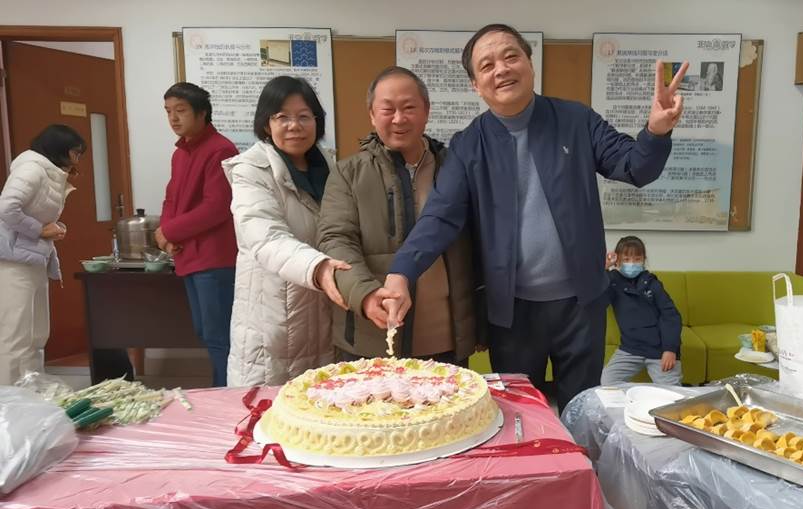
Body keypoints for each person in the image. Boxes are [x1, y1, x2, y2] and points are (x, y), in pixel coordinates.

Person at [379, 24, 689, 411]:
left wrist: (656, 132)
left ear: (529, 63)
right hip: (513, 312)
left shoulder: (576, 120)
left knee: (582, 411)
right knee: (521, 414)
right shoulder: (469, 145)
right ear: (476, 85)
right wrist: (401, 272)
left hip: (581, 306)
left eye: (511, 56)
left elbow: (634, 167)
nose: (501, 69)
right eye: (487, 65)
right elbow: (440, 216)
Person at [318, 66, 480, 364]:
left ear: (426, 111)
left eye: (408, 108)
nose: (398, 118)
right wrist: (365, 295)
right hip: (370, 338)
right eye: (387, 109)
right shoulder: (348, 173)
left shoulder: (454, 169)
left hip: (446, 340)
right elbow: (335, 241)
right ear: (372, 114)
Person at [222, 76, 350, 387]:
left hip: (324, 319)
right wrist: (318, 267)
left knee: (319, 405)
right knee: (270, 409)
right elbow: (266, 238)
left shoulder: (331, 168)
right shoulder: (251, 171)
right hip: (273, 324)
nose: (294, 126)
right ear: (267, 124)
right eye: (283, 117)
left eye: (304, 116)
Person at [157, 82, 239, 387]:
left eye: (181, 110)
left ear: (202, 113)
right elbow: (171, 198)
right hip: (189, 255)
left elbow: (216, 207)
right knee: (206, 332)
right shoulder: (180, 153)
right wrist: (165, 234)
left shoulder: (221, 149)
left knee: (219, 336)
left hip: (215, 259)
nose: (173, 118)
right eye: (168, 111)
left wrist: (169, 230)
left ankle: (227, 395)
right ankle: (222, 391)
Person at [0, 124, 83, 385]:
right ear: (61, 150)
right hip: (13, 262)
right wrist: (39, 230)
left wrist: (51, 229)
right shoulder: (32, 169)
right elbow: (7, 208)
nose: (77, 160)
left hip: (34, 258)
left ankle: (31, 390)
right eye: (76, 153)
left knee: (36, 334)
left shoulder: (49, 173)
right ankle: (10, 399)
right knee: (15, 335)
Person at [601, 236, 683, 386]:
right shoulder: (612, 281)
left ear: (644, 260)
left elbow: (671, 316)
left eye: (637, 259)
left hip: (660, 350)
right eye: (626, 259)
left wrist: (670, 349)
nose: (632, 263)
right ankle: (642, 393)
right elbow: (599, 300)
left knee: (672, 391)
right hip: (630, 349)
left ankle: (652, 392)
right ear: (617, 260)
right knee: (607, 382)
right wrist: (605, 268)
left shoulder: (653, 284)